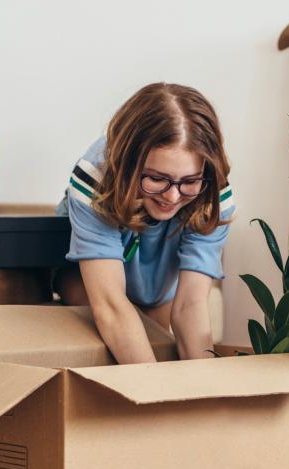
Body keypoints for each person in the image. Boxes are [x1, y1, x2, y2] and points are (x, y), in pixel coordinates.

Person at [55, 83, 234, 362]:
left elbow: (190, 305)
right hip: (88, 277)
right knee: (119, 345)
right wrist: (155, 394)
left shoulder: (212, 192)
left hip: (158, 280)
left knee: (160, 345)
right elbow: (111, 306)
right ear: (128, 165)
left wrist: (207, 393)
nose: (172, 196)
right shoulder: (95, 178)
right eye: (157, 178)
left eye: (188, 181)